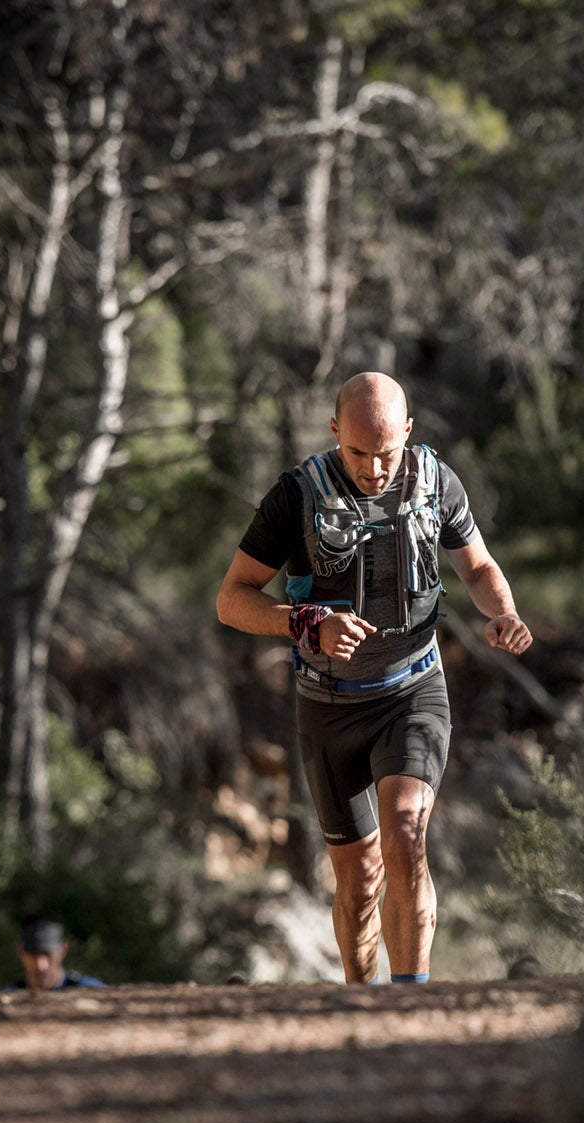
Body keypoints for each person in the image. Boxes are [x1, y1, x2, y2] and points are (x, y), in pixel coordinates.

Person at [216, 372, 532, 984]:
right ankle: (362, 1002)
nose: (373, 468)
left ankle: (410, 1000)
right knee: (358, 880)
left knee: (405, 836)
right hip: (327, 706)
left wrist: (507, 614)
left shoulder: (436, 482)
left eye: (386, 452)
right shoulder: (295, 497)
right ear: (335, 432)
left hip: (413, 692)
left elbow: (479, 566)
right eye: (358, 452)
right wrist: (305, 623)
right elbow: (231, 599)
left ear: (408, 433)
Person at [7, 917, 106, 992]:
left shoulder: (92, 990)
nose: (41, 965)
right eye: (33, 955)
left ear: (63, 950)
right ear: (20, 951)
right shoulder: (7, 995)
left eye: (48, 955)